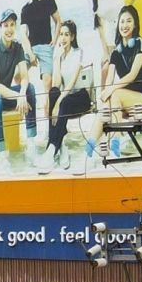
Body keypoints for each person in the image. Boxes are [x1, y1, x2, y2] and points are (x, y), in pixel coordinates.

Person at [37, 21, 101, 174]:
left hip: (81, 97)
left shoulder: (79, 52)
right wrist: (56, 60)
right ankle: (61, 147)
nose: (63, 38)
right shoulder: (60, 55)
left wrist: (58, 102)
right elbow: (56, 84)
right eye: (61, 34)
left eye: (66, 34)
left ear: (72, 37)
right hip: (66, 99)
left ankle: (52, 148)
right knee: (53, 91)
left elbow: (71, 83)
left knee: (61, 101)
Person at [0, 8, 37, 168]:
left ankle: (31, 142)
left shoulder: (17, 47)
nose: (9, 29)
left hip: (4, 96)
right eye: (6, 25)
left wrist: (22, 93)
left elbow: (24, 76)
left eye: (12, 25)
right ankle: (1, 152)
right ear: (0, 27)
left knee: (30, 88)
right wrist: (18, 97)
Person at [20, 0, 61, 123]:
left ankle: (49, 123)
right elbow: (23, 34)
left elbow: (58, 21)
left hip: (45, 47)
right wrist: (30, 54)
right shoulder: (25, 8)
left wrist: (55, 40)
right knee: (18, 75)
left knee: (48, 83)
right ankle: (26, 111)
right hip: (31, 48)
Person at [99, 4, 142, 118]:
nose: (124, 25)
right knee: (106, 106)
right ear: (118, 25)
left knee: (115, 94)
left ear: (135, 25)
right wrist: (106, 93)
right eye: (122, 21)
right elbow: (109, 79)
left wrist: (111, 89)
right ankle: (94, 136)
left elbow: (132, 75)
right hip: (126, 97)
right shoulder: (116, 52)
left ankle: (115, 135)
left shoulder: (140, 42)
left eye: (129, 21)